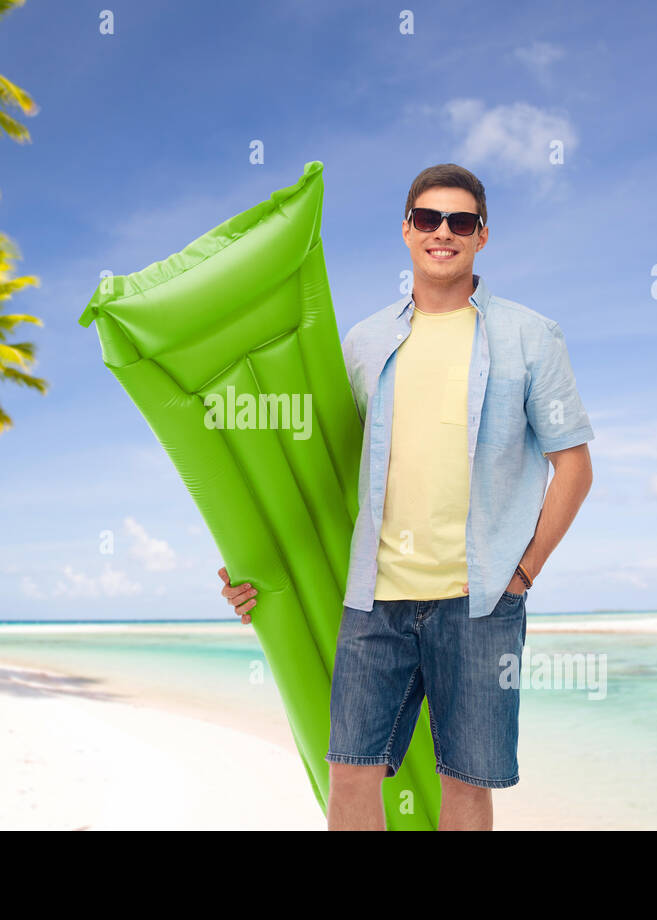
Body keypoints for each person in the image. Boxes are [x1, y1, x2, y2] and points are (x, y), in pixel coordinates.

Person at [219, 163, 594, 830]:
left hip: (480, 603)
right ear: (406, 231)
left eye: (460, 222)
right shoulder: (364, 342)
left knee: (468, 785)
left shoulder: (531, 336)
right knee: (352, 774)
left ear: (482, 236)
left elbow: (574, 467)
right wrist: (257, 561)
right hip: (377, 600)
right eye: (428, 219)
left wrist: (522, 573)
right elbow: (324, 468)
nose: (442, 232)